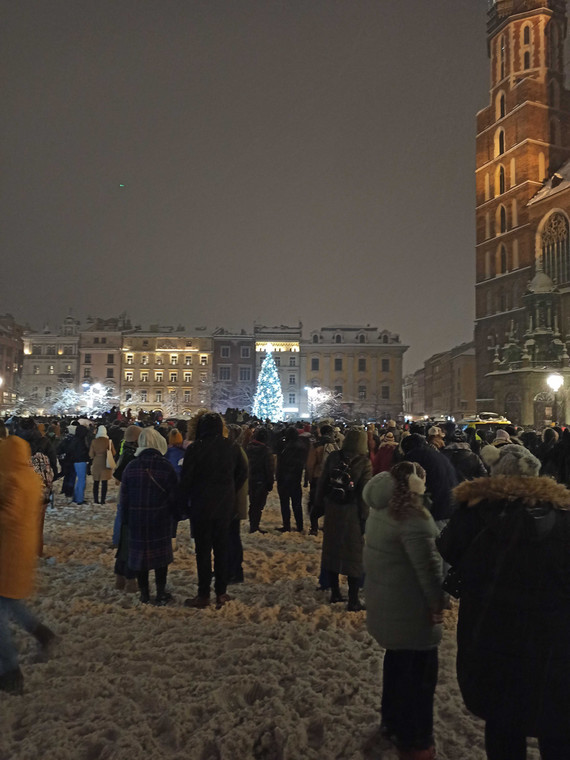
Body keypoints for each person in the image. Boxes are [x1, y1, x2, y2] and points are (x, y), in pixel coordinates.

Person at [437, 444, 570, 760]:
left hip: (491, 636)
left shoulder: (476, 513)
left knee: (503, 725)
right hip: (552, 643)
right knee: (557, 724)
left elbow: (448, 548)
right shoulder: (563, 518)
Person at [363, 463, 443, 760]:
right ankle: (416, 741)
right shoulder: (413, 519)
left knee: (396, 666)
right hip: (412, 611)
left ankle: (392, 723)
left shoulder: (380, 509)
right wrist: (438, 602)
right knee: (420, 679)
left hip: (388, 604)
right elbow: (429, 570)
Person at [0, 436, 57, 694]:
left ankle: (10, 672)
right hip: (20, 550)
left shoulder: (12, 480)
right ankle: (43, 634)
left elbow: (7, 516)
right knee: (9, 601)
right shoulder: (29, 476)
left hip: (6, 554)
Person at [179, 413, 247, 609]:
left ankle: (203, 594)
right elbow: (243, 471)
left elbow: (186, 479)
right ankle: (221, 592)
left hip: (201, 505)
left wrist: (184, 501)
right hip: (224, 506)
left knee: (203, 551)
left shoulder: (195, 448)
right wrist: (231, 489)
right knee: (221, 549)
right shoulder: (232, 447)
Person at [315, 428, 372, 612]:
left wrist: (318, 506)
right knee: (354, 555)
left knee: (332, 550)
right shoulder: (364, 462)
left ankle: (335, 593)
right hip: (352, 512)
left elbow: (322, 482)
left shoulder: (333, 457)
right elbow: (364, 494)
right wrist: (365, 518)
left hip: (333, 509)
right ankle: (353, 599)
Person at [119, 428, 178, 605]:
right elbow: (174, 494)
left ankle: (144, 593)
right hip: (160, 519)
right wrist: (174, 514)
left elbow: (124, 497)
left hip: (137, 519)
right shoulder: (165, 466)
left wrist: (126, 519)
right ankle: (160, 592)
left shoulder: (132, 466)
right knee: (161, 560)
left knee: (141, 559)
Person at [111, 424, 142, 590]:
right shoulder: (135, 456)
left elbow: (117, 474)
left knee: (124, 537)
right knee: (131, 541)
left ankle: (120, 576)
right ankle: (130, 577)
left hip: (124, 496)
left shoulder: (125, 453)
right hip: (133, 499)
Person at [306, 424, 338, 534]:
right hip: (331, 477)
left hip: (318, 476)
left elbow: (310, 464)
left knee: (316, 502)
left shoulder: (316, 445)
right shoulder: (335, 445)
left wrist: (310, 478)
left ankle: (314, 527)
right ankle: (327, 525)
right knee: (328, 501)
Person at [275, 426, 307, 533]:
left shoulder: (285, 447)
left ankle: (286, 525)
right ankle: (300, 525)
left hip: (284, 478)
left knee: (285, 503)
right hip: (295, 479)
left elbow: (280, 463)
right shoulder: (302, 446)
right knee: (297, 504)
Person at [245, 427, 274, 534]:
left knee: (253, 504)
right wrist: (270, 482)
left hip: (251, 479)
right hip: (262, 480)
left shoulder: (249, 448)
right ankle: (255, 526)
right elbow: (269, 468)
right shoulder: (266, 451)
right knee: (259, 504)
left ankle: (253, 524)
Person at [88, 425, 116, 505]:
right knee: (104, 482)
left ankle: (96, 499)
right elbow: (113, 452)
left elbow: (91, 454)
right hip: (105, 462)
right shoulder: (108, 441)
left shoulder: (94, 441)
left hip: (97, 462)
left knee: (96, 482)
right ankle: (103, 500)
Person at [68, 423, 91, 505]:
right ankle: (79, 499)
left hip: (76, 460)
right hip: (81, 460)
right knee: (82, 480)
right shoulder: (81, 441)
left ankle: (76, 497)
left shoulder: (75, 439)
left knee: (79, 480)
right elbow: (82, 452)